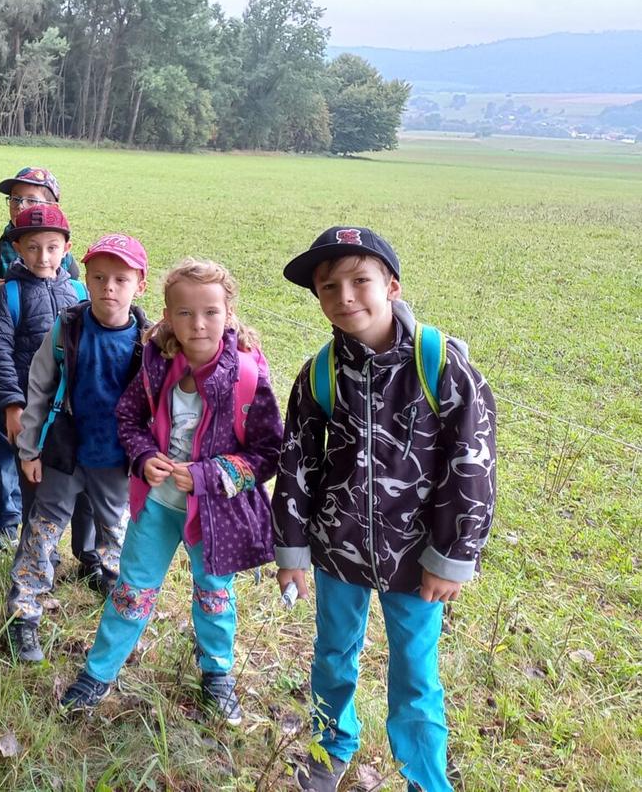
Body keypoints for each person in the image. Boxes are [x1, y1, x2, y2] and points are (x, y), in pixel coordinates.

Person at [274, 227, 497, 792]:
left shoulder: (441, 364)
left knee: (416, 674)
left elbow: (472, 463)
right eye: (329, 287)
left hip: (414, 560)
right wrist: (293, 550)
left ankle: (425, 777)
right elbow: (297, 462)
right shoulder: (320, 373)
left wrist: (451, 555)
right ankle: (331, 747)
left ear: (392, 285)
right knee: (331, 656)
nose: (345, 296)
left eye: (359, 281)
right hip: (335, 551)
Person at [60, 258, 283, 726]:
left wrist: (208, 475)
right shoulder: (157, 363)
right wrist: (143, 457)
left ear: (228, 312)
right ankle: (99, 673)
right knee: (132, 590)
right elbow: (129, 418)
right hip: (157, 504)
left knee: (214, 594)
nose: (197, 324)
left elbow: (268, 452)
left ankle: (217, 675)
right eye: (184, 313)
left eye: (210, 312)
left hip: (214, 514)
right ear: (167, 314)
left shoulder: (246, 375)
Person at [5, 234, 151, 663]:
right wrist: (29, 450)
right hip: (66, 456)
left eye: (121, 279)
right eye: (100, 277)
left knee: (119, 539)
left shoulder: (151, 340)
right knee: (41, 531)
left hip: (118, 464)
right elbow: (39, 387)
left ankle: (122, 615)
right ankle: (23, 614)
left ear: (139, 284)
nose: (109, 287)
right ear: (84, 278)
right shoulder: (67, 328)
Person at [0, 167, 95, 572]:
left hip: (55, 406)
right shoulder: (3, 281)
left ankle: (42, 538)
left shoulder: (76, 287)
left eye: (52, 248)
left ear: (65, 248)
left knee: (44, 470)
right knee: (0, 463)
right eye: (33, 248)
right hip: (10, 397)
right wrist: (10, 404)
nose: (43, 256)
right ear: (19, 249)